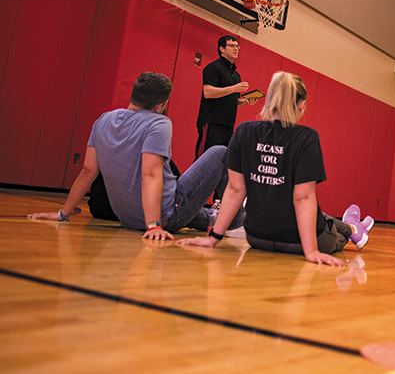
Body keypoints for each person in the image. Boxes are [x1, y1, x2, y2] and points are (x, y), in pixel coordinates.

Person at [177, 71, 374, 266]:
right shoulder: (306, 137)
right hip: (298, 242)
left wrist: (214, 238)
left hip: (257, 238)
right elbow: (303, 197)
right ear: (302, 105)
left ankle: (352, 227)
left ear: (270, 101)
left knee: (317, 216)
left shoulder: (244, 131)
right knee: (330, 230)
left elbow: (235, 190)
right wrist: (312, 250)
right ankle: (353, 230)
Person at [28, 72, 242, 240]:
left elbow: (88, 171)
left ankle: (221, 217)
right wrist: (153, 225)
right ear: (160, 105)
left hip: (127, 217)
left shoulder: (103, 119)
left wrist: (63, 213)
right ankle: (231, 212)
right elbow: (150, 174)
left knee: (209, 218)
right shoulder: (158, 123)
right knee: (220, 151)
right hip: (165, 214)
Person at [195, 35, 258, 159]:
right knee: (203, 160)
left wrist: (244, 101)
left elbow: (231, 101)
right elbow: (208, 92)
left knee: (220, 163)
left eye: (237, 46)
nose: (236, 49)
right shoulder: (213, 67)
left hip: (228, 125)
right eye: (232, 46)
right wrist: (233, 89)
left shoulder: (236, 75)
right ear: (222, 49)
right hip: (211, 122)